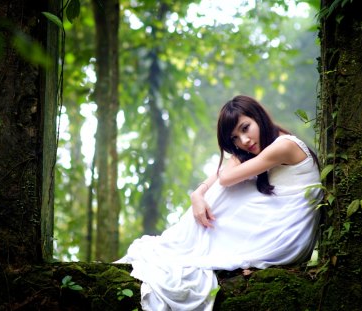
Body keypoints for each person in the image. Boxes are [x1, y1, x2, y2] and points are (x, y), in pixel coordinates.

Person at [115, 95, 322, 311]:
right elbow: (225, 174)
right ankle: (182, 245)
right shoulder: (270, 144)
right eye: (234, 138)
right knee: (226, 188)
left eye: (245, 128)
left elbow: (225, 178)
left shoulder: (284, 146)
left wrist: (234, 158)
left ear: (258, 116)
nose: (244, 141)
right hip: (284, 225)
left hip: (288, 236)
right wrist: (197, 194)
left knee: (228, 189)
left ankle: (182, 246)